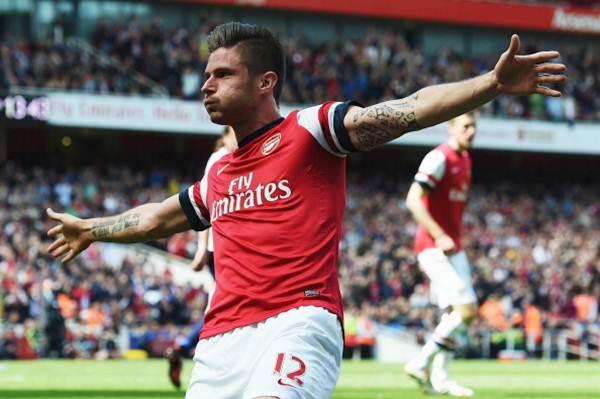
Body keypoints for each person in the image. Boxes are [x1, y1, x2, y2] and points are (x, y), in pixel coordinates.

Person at [47, 22, 565, 398]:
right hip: (219, 340)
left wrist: (491, 85)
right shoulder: (218, 172)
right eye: (207, 75)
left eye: (222, 74)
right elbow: (159, 218)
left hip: (297, 321)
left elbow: (405, 110)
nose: (206, 84)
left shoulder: (311, 130)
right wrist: (91, 229)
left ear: (264, 82)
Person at [403, 111, 478, 397]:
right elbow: (413, 200)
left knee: (458, 315)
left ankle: (441, 378)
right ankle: (420, 362)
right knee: (466, 309)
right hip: (434, 247)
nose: (471, 131)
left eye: (474, 127)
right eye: (465, 126)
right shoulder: (439, 157)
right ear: (451, 128)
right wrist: (440, 234)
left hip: (453, 248)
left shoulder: (466, 160)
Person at [166, 125, 238, 389]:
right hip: (222, 251)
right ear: (225, 134)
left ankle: (186, 346)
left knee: (221, 303)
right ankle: (202, 352)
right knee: (227, 305)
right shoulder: (219, 159)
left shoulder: (231, 156)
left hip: (227, 249)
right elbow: (208, 207)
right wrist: (201, 249)